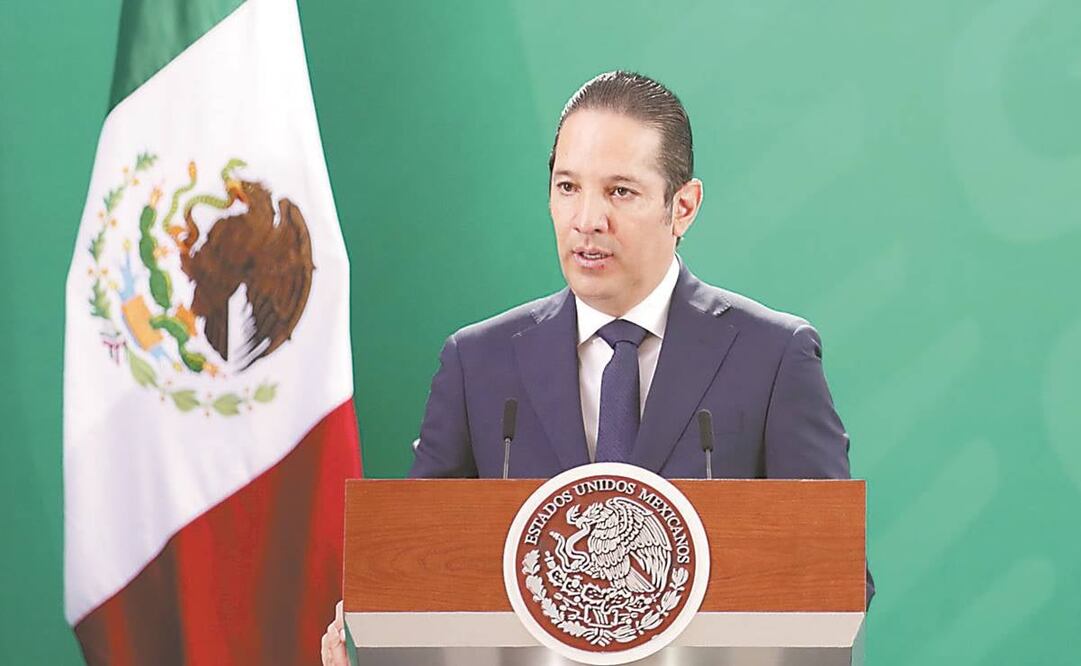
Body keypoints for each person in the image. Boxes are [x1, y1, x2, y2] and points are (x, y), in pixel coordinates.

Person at [321, 71, 872, 666]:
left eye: (620, 192)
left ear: (682, 206)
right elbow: (417, 574)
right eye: (567, 187)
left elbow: (834, 579)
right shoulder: (476, 363)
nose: (587, 220)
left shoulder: (773, 357)